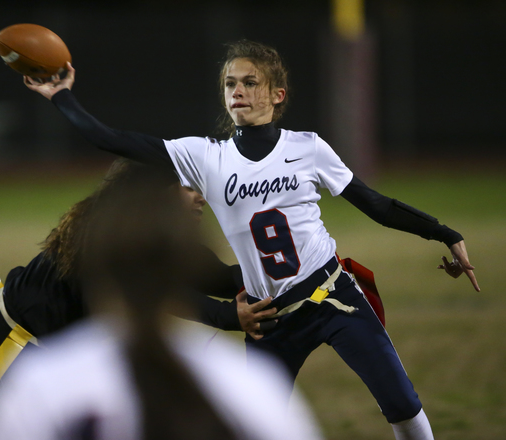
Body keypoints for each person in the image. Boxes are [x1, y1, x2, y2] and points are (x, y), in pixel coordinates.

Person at [24, 39, 480, 440]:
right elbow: (110, 139)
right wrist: (61, 96)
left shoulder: (307, 147)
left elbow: (374, 203)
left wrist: (443, 232)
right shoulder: (205, 156)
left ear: (277, 95)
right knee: (254, 428)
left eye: (249, 82)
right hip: (270, 318)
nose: (237, 91)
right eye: (229, 83)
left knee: (402, 404)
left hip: (332, 296)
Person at [0, 161, 319, 440]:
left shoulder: (159, 241)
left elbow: (218, 277)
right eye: (187, 186)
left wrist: (287, 265)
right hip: (10, 336)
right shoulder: (106, 232)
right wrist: (230, 316)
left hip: (64, 351)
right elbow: (157, 293)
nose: (200, 197)